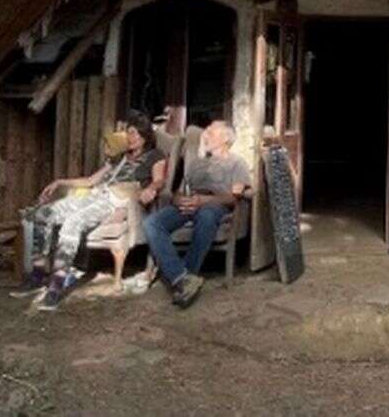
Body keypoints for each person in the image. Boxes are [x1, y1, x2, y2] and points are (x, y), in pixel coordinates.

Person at [13, 112, 166, 311]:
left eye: (133, 133)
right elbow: (90, 181)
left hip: (116, 200)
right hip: (95, 194)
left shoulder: (155, 155)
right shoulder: (119, 158)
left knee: (73, 222)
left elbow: (159, 179)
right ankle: (38, 273)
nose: (129, 137)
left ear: (144, 135)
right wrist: (59, 182)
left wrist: (151, 189)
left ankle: (56, 287)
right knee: (42, 214)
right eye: (127, 133)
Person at [143, 121, 251, 309]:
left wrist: (203, 200)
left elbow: (234, 198)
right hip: (190, 203)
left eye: (211, 131)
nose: (206, 133)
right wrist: (178, 200)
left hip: (215, 205)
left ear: (226, 138)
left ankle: (186, 274)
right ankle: (182, 278)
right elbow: (179, 191)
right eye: (206, 129)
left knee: (206, 216)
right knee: (152, 222)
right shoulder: (197, 163)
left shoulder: (237, 163)